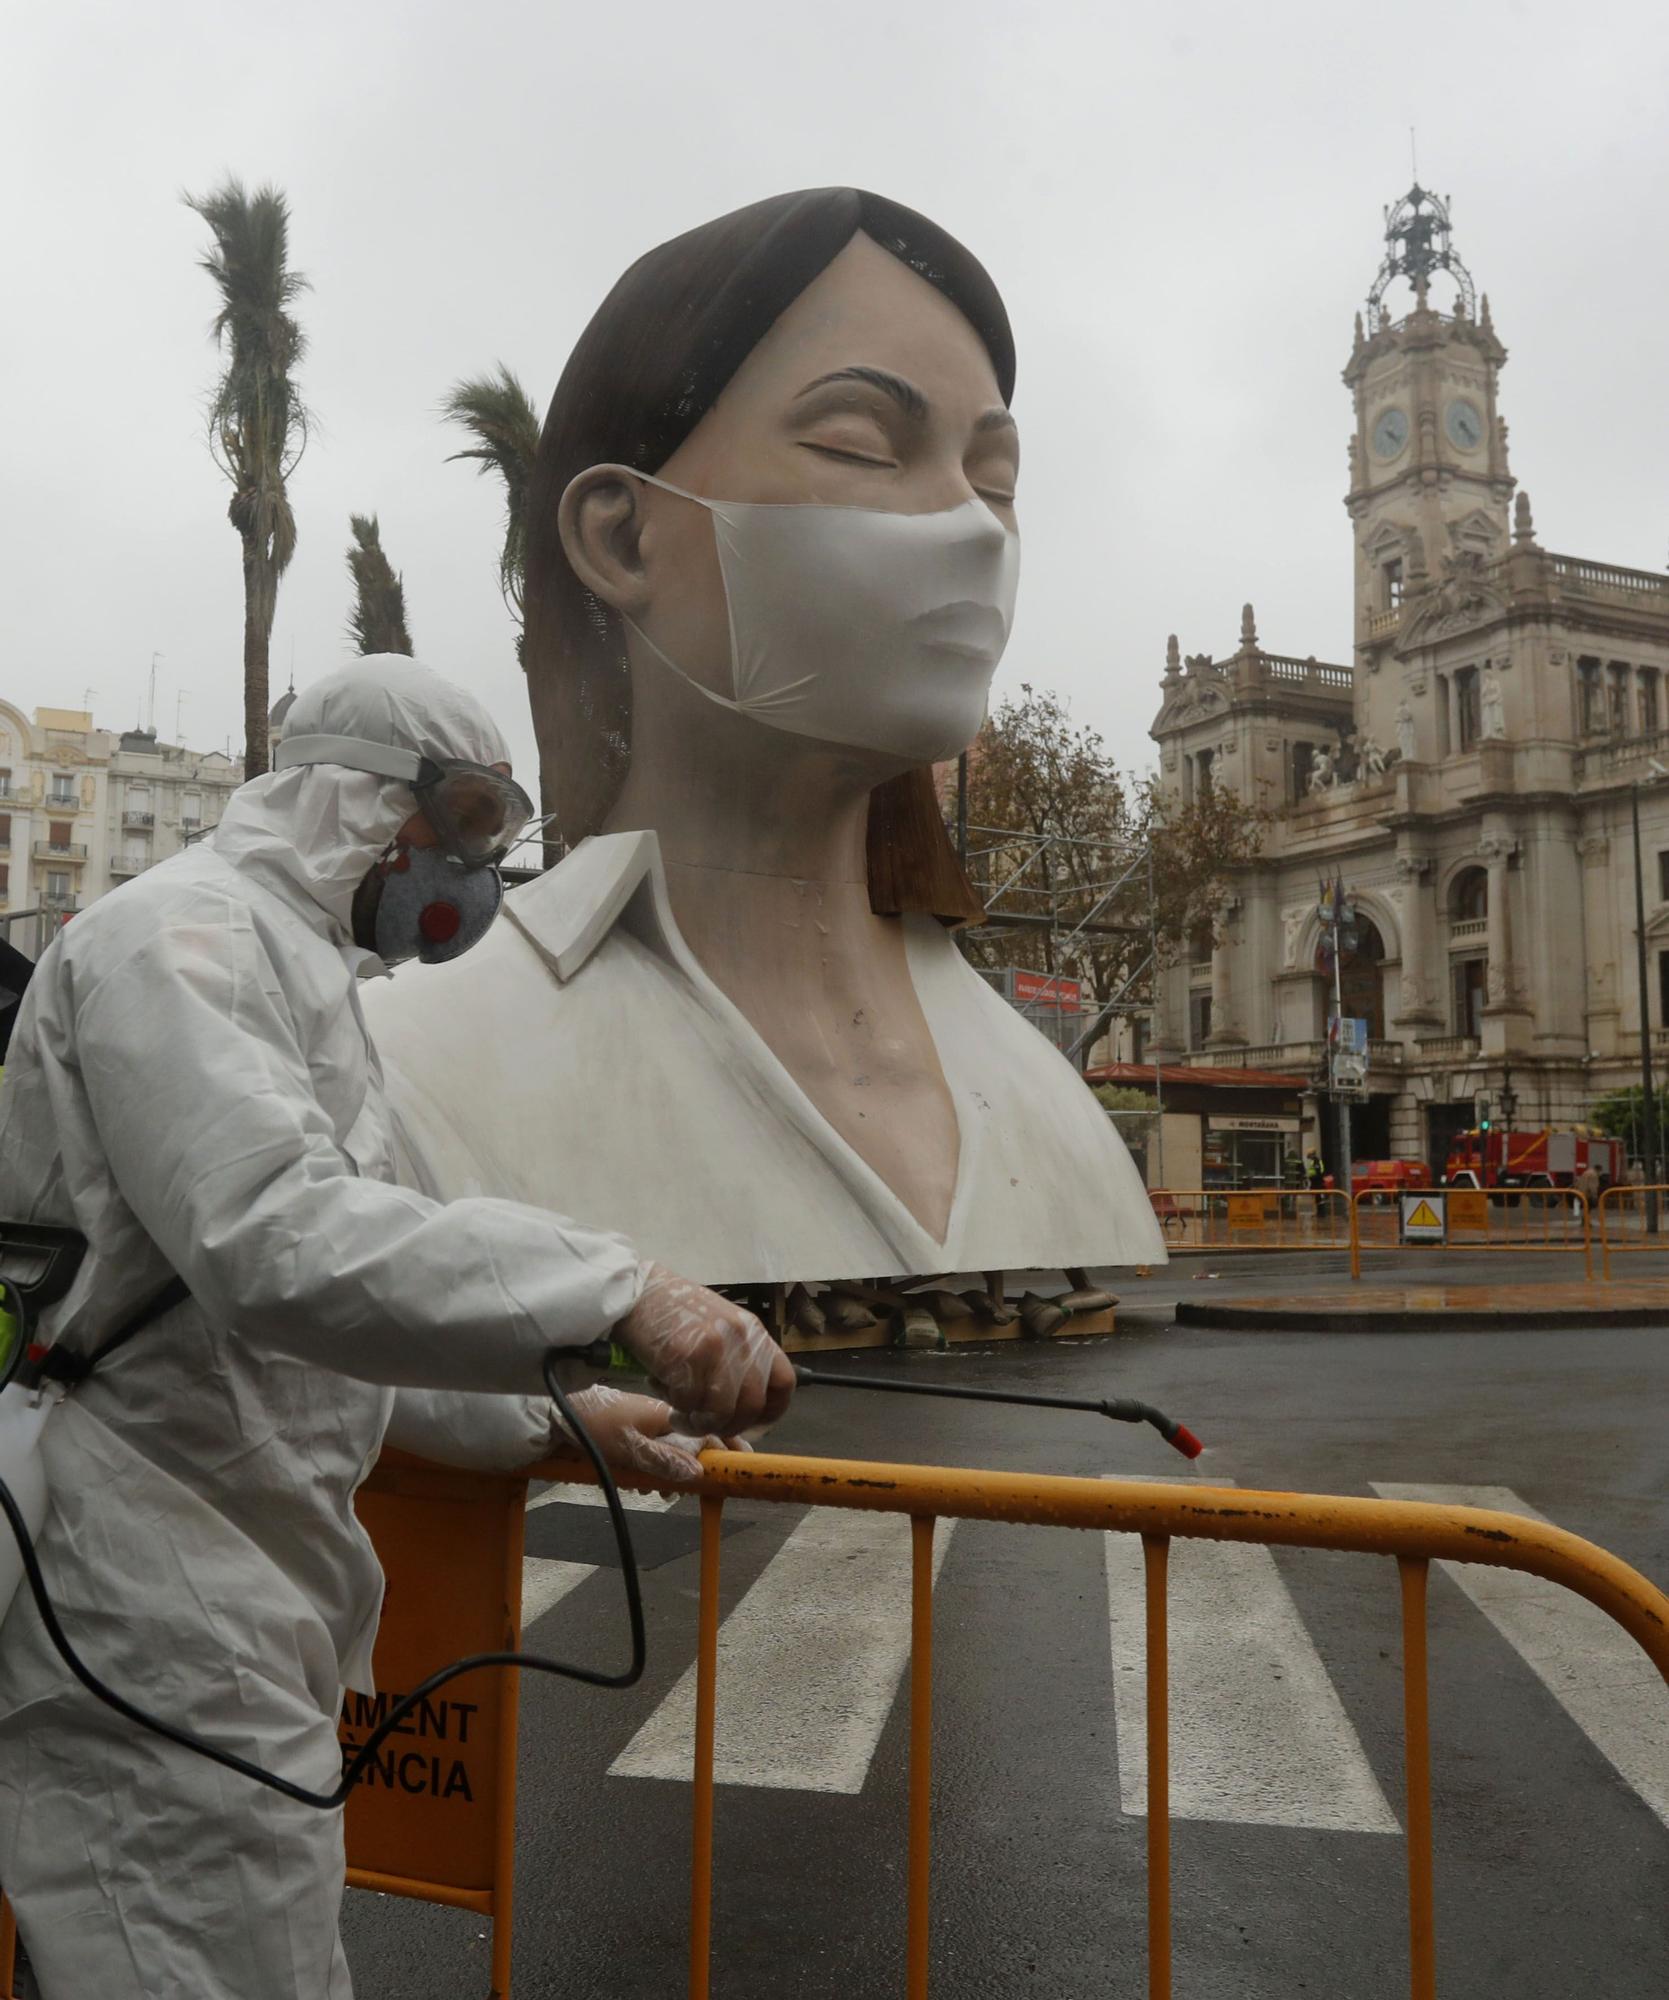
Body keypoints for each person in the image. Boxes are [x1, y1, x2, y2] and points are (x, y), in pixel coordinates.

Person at [0, 656, 792, 2000]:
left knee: (257, 1952)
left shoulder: (308, 982)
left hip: (233, 1583)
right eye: (468, 816)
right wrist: (620, 1293)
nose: (480, 867)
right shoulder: (180, 941)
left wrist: (556, 1413)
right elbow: (275, 1244)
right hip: (138, 1582)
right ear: (359, 799)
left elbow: (346, 1316)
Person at [364, 189, 1164, 1286]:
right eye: (863, 445)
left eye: (996, 480)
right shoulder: (404, 1068)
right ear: (621, 534)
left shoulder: (1047, 1106)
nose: (974, 528)